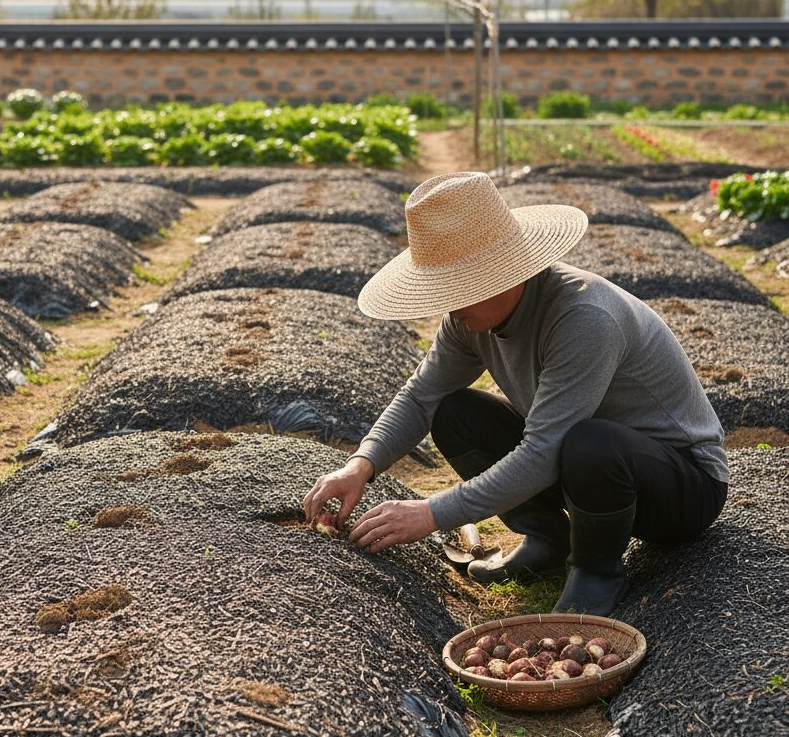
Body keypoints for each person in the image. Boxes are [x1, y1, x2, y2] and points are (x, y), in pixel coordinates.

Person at [303, 171, 729, 617]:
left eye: (458, 288)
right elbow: (421, 396)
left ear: (504, 272)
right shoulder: (467, 319)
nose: (449, 306)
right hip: (583, 464)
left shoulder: (584, 316)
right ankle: (548, 540)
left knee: (591, 442)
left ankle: (596, 572)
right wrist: (360, 465)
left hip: (681, 485)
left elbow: (544, 450)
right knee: (454, 411)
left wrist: (431, 513)